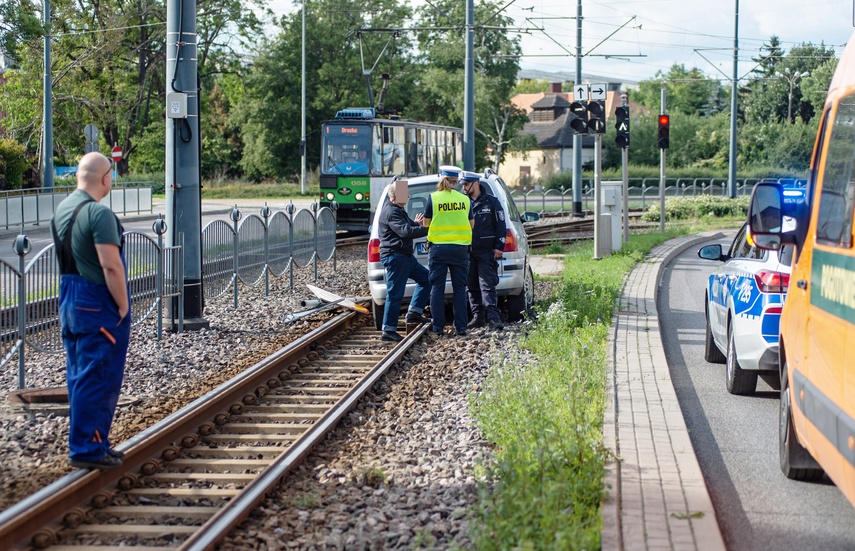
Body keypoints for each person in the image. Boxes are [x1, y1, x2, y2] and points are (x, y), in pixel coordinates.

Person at [51, 152, 130, 470]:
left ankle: (90, 443)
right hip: (96, 301)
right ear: (105, 178)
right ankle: (88, 447)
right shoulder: (98, 214)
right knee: (99, 376)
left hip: (70, 297)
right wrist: (123, 305)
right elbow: (111, 266)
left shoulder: (63, 207)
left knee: (79, 375)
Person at [377, 181, 431, 342]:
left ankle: (414, 313)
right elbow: (404, 231)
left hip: (404, 256)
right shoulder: (391, 212)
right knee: (395, 294)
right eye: (404, 194)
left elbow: (406, 226)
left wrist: (416, 224)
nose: (408, 196)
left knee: (426, 279)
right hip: (396, 257)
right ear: (393, 197)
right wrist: (428, 229)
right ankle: (388, 330)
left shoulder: (397, 209)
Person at [422, 166, 473, 336]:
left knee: (437, 288)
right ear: (456, 182)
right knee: (460, 289)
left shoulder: (433, 198)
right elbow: (471, 225)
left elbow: (427, 224)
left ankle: (438, 327)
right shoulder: (465, 200)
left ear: (441, 180)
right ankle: (461, 327)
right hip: (460, 249)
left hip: (438, 249)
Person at [459, 171, 507, 330]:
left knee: (487, 284)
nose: (463, 187)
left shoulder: (492, 202)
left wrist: (499, 246)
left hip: (486, 251)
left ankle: (493, 317)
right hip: (467, 250)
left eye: (466, 184)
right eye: (462, 184)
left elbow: (501, 225)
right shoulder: (461, 202)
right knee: (471, 285)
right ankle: (478, 316)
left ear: (476, 183)